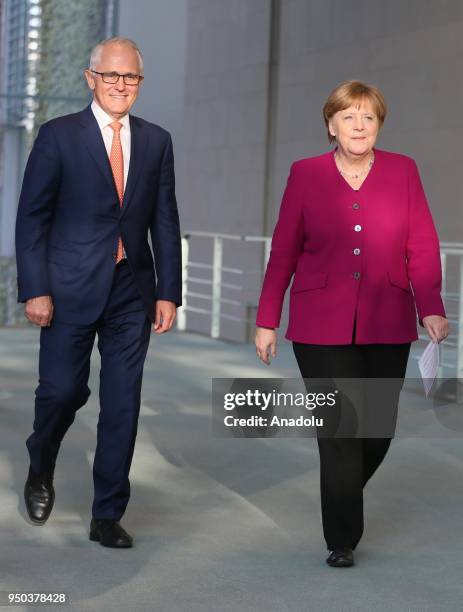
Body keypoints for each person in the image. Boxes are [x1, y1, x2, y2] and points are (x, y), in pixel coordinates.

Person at [254, 80, 449, 567]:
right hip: (320, 323)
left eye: (368, 117)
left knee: (376, 430)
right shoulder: (306, 174)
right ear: (330, 125)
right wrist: (266, 319)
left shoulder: (404, 171)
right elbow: (283, 251)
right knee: (340, 430)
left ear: (378, 124)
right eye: (348, 117)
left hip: (388, 317)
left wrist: (431, 305)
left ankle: (340, 491)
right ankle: (341, 539)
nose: (358, 125)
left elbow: (422, 244)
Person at [15, 37, 182, 548]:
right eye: (110, 76)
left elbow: (165, 220)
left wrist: (168, 292)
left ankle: (107, 513)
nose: (120, 86)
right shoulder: (58, 135)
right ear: (91, 79)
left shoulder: (156, 141)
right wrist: (36, 289)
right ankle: (41, 462)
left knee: (122, 402)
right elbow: (32, 218)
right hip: (66, 288)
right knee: (63, 391)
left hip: (132, 289)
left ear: (139, 83)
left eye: (129, 77)